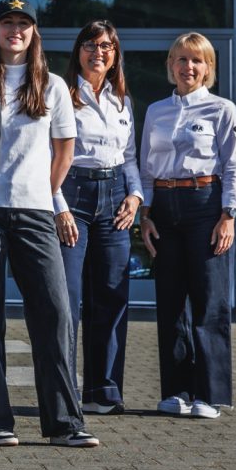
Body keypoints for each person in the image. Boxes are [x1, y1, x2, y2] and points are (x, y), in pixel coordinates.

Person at [0, 0, 98, 449]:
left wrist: (44, 191)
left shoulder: (52, 85)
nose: (16, 30)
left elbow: (64, 149)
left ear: (34, 32)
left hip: (36, 212)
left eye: (24, 23)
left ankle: (64, 423)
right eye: (7, 22)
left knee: (55, 312)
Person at [140, 32, 236, 420]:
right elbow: (146, 167)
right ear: (171, 65)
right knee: (170, 301)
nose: (188, 67)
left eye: (197, 60)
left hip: (206, 206)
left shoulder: (222, 109)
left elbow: (233, 166)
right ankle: (176, 391)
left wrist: (228, 215)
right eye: (181, 59)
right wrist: (146, 214)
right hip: (164, 208)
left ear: (208, 68)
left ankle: (209, 395)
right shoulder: (156, 111)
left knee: (208, 299)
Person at [61, 20, 143, 416]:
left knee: (111, 295)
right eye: (91, 45)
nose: (99, 52)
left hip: (115, 199)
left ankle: (102, 390)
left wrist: (136, 196)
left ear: (115, 55)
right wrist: (58, 207)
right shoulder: (61, 94)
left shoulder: (122, 100)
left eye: (107, 46)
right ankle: (64, 393)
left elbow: (129, 158)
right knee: (67, 300)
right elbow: (50, 156)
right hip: (72, 195)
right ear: (79, 51)